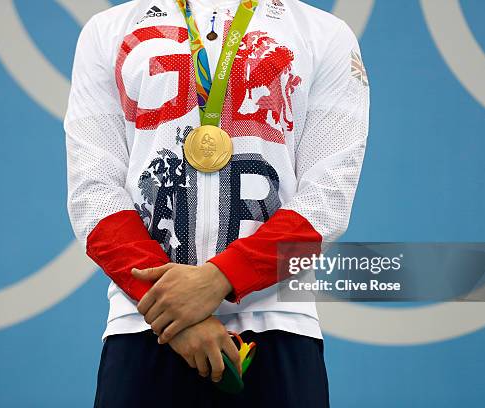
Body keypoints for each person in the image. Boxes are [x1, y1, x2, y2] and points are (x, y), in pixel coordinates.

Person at [65, 0, 369, 405]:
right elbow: (94, 193)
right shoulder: (107, 30)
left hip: (278, 326)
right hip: (144, 326)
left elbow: (326, 200)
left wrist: (219, 279)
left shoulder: (325, 34)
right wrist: (174, 310)